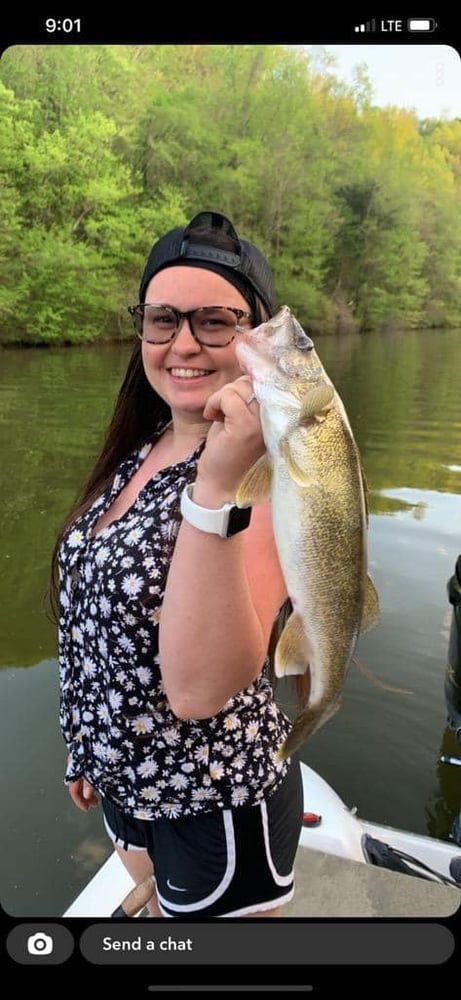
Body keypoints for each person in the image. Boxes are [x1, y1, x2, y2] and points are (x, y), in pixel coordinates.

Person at [50, 210, 303, 919]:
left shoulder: (269, 476)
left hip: (213, 805)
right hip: (126, 786)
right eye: (162, 320)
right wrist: (87, 747)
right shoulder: (144, 444)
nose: (183, 343)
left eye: (214, 321)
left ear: (255, 337)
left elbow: (197, 693)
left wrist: (217, 485)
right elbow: (89, 616)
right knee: (161, 915)